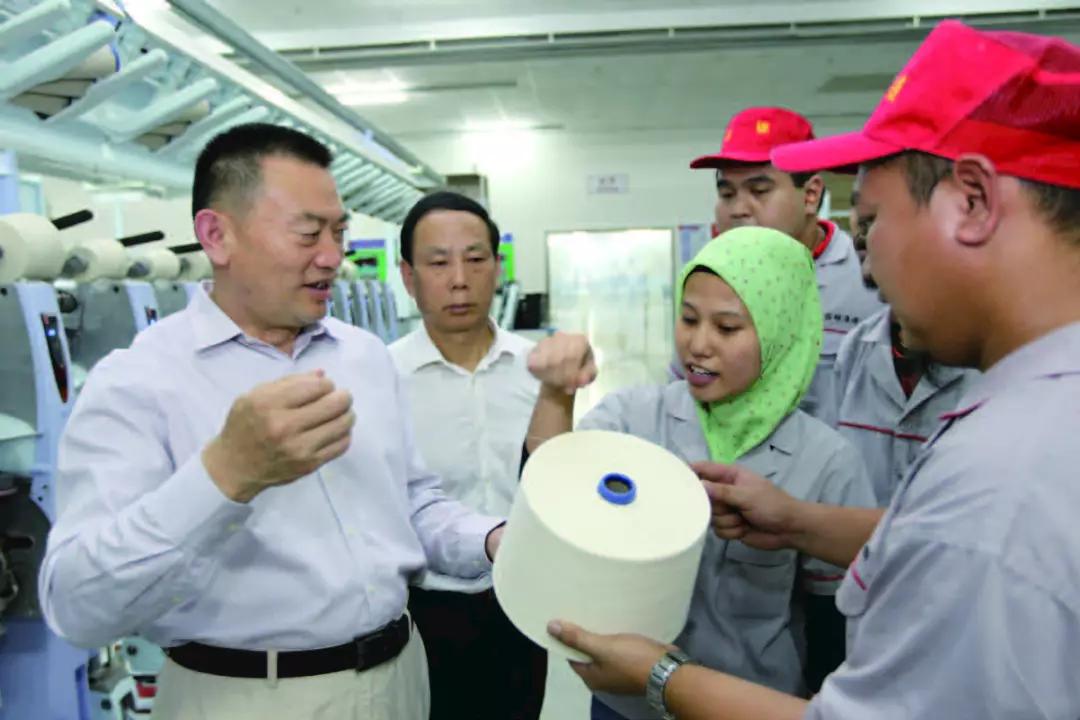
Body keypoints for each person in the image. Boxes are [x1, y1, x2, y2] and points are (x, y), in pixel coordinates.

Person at [545, 21, 1080, 719]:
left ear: (972, 202)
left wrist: (661, 677)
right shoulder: (1034, 417)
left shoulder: (1006, 472)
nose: (868, 260)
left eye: (872, 221)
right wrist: (799, 522)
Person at [38, 124, 504, 720]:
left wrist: (492, 540)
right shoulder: (139, 381)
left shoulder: (362, 356)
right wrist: (225, 474)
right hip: (247, 696)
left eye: (339, 233)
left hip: (400, 679)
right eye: (308, 233)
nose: (332, 256)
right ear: (217, 236)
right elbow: (77, 606)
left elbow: (412, 503)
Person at [526, 226, 876, 720]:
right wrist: (554, 395)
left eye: (727, 328)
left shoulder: (827, 461)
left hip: (752, 705)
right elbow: (551, 487)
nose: (698, 345)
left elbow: (829, 627)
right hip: (628, 704)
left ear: (781, 333)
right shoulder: (635, 418)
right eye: (688, 319)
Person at [389, 191, 546, 720]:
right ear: (408, 277)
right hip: (421, 610)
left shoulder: (538, 371)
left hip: (521, 601)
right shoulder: (381, 378)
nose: (459, 279)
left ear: (497, 267)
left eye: (475, 259)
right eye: (438, 263)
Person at [690, 107, 884, 422]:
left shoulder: (869, 280)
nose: (738, 209)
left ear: (810, 195)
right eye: (726, 193)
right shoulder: (708, 284)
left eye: (759, 191)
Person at [830, 183, 979, 505]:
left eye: (875, 218)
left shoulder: (989, 365)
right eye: (862, 220)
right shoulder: (857, 348)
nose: (861, 238)